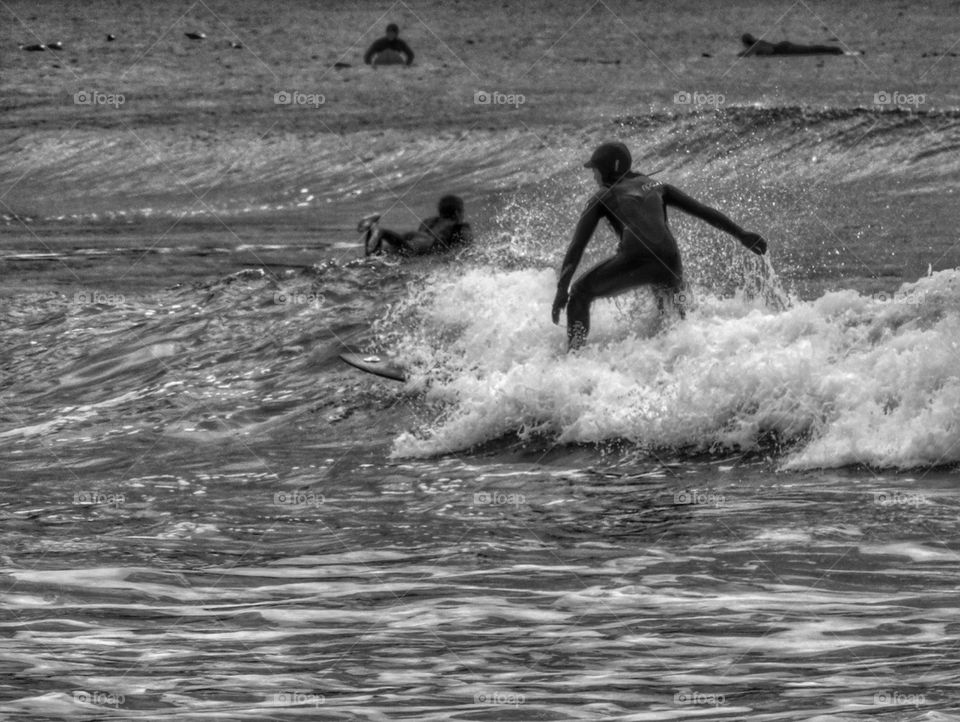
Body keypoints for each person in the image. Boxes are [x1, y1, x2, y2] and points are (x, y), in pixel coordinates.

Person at [551, 142, 767, 350]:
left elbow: (577, 246)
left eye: (595, 170)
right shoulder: (658, 186)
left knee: (579, 292)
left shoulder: (602, 196)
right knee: (680, 318)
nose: (594, 176)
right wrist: (741, 234)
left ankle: (575, 355)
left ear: (607, 170)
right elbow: (702, 211)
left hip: (635, 262)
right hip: (670, 263)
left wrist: (562, 289)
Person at [359, 194, 472, 256]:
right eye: (462, 211)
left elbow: (419, 235)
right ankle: (380, 231)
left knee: (378, 255)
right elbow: (467, 249)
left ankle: (372, 229)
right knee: (408, 249)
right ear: (457, 213)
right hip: (427, 242)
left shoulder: (428, 221)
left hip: (413, 236)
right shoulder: (460, 227)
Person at [738, 33, 846, 56]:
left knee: (810, 50)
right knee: (810, 49)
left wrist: (739, 55)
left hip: (783, 49)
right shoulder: (758, 43)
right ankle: (833, 50)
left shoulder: (756, 46)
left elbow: (745, 54)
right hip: (782, 46)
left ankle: (834, 50)